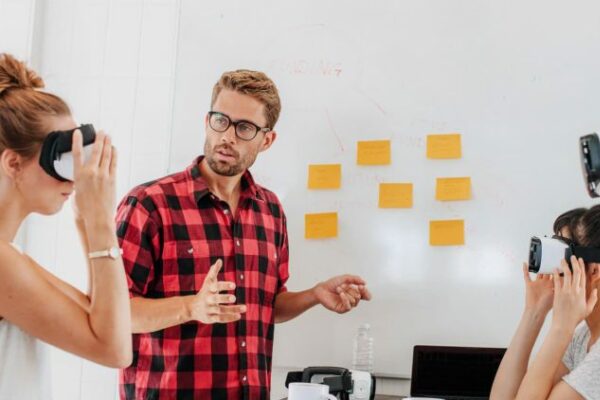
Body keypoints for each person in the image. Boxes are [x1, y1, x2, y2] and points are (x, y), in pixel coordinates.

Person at [116, 68, 372, 399]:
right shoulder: (149, 205)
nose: (228, 136)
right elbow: (113, 312)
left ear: (267, 140)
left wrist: (313, 295)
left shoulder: (270, 210)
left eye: (245, 127)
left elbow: (266, 305)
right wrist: (191, 307)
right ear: (207, 121)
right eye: (220, 120)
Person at [0, 53, 132, 398]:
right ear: (13, 163)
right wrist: (101, 221)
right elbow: (115, 349)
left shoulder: (11, 257)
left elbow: (99, 316)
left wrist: (86, 223)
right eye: (62, 159)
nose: (74, 177)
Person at [490, 205, 600, 400]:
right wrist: (534, 313)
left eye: (563, 258)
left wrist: (561, 328)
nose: (554, 271)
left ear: (594, 270)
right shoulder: (584, 336)